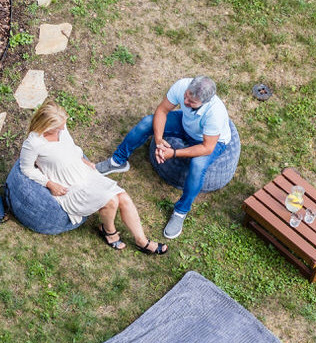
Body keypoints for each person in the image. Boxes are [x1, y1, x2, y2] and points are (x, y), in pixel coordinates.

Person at [19, 99, 167, 255]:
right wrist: (49, 184)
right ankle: (109, 232)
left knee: (122, 196)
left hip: (84, 173)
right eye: (59, 126)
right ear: (47, 125)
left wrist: (82, 159)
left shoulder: (61, 130)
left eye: (64, 123)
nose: (64, 127)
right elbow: (26, 168)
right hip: (68, 186)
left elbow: (70, 147)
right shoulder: (34, 143)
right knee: (111, 200)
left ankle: (142, 241)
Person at [96, 76, 231, 240]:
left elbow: (206, 147)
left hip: (208, 141)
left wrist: (173, 153)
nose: (185, 102)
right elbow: (162, 110)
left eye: (191, 102)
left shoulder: (215, 114)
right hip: (185, 124)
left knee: (197, 166)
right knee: (148, 122)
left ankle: (181, 211)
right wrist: (159, 141)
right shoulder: (182, 85)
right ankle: (118, 161)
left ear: (205, 102)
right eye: (186, 96)